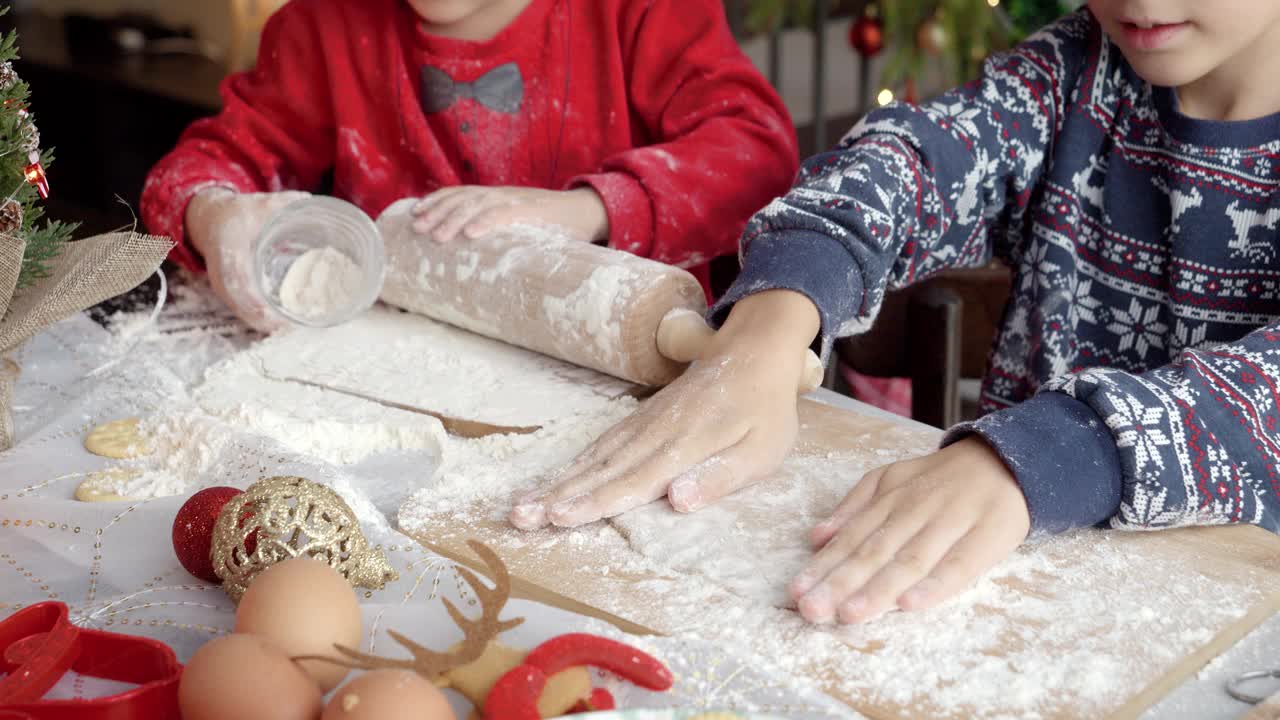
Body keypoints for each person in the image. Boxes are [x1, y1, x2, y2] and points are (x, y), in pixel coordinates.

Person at [512, 0, 1280, 625]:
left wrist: (1052, 454)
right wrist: (773, 325)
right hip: (1007, 589)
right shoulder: (1076, 72)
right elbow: (908, 165)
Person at [142, 0, 798, 330]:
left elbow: (755, 155)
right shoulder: (324, 24)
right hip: (400, 377)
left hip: (624, 368)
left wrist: (589, 208)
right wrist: (215, 215)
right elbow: (203, 169)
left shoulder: (643, 10)